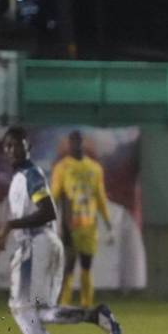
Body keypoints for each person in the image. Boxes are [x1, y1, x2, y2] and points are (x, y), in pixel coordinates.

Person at [0, 126, 123, 334]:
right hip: (45, 243)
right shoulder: (23, 176)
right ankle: (94, 316)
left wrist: (10, 226)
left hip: (38, 243)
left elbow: (47, 212)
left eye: (18, 144)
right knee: (40, 311)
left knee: (22, 308)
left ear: (28, 147)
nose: (13, 149)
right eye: (8, 146)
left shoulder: (30, 175)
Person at [51, 130, 113, 308]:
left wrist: (109, 225)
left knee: (86, 266)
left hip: (89, 225)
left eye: (78, 141)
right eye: (72, 141)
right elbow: (54, 194)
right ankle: (63, 304)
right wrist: (47, 217)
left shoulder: (94, 168)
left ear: (82, 143)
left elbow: (100, 197)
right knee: (69, 264)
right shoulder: (62, 167)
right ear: (68, 144)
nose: (75, 145)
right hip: (70, 224)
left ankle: (86, 304)